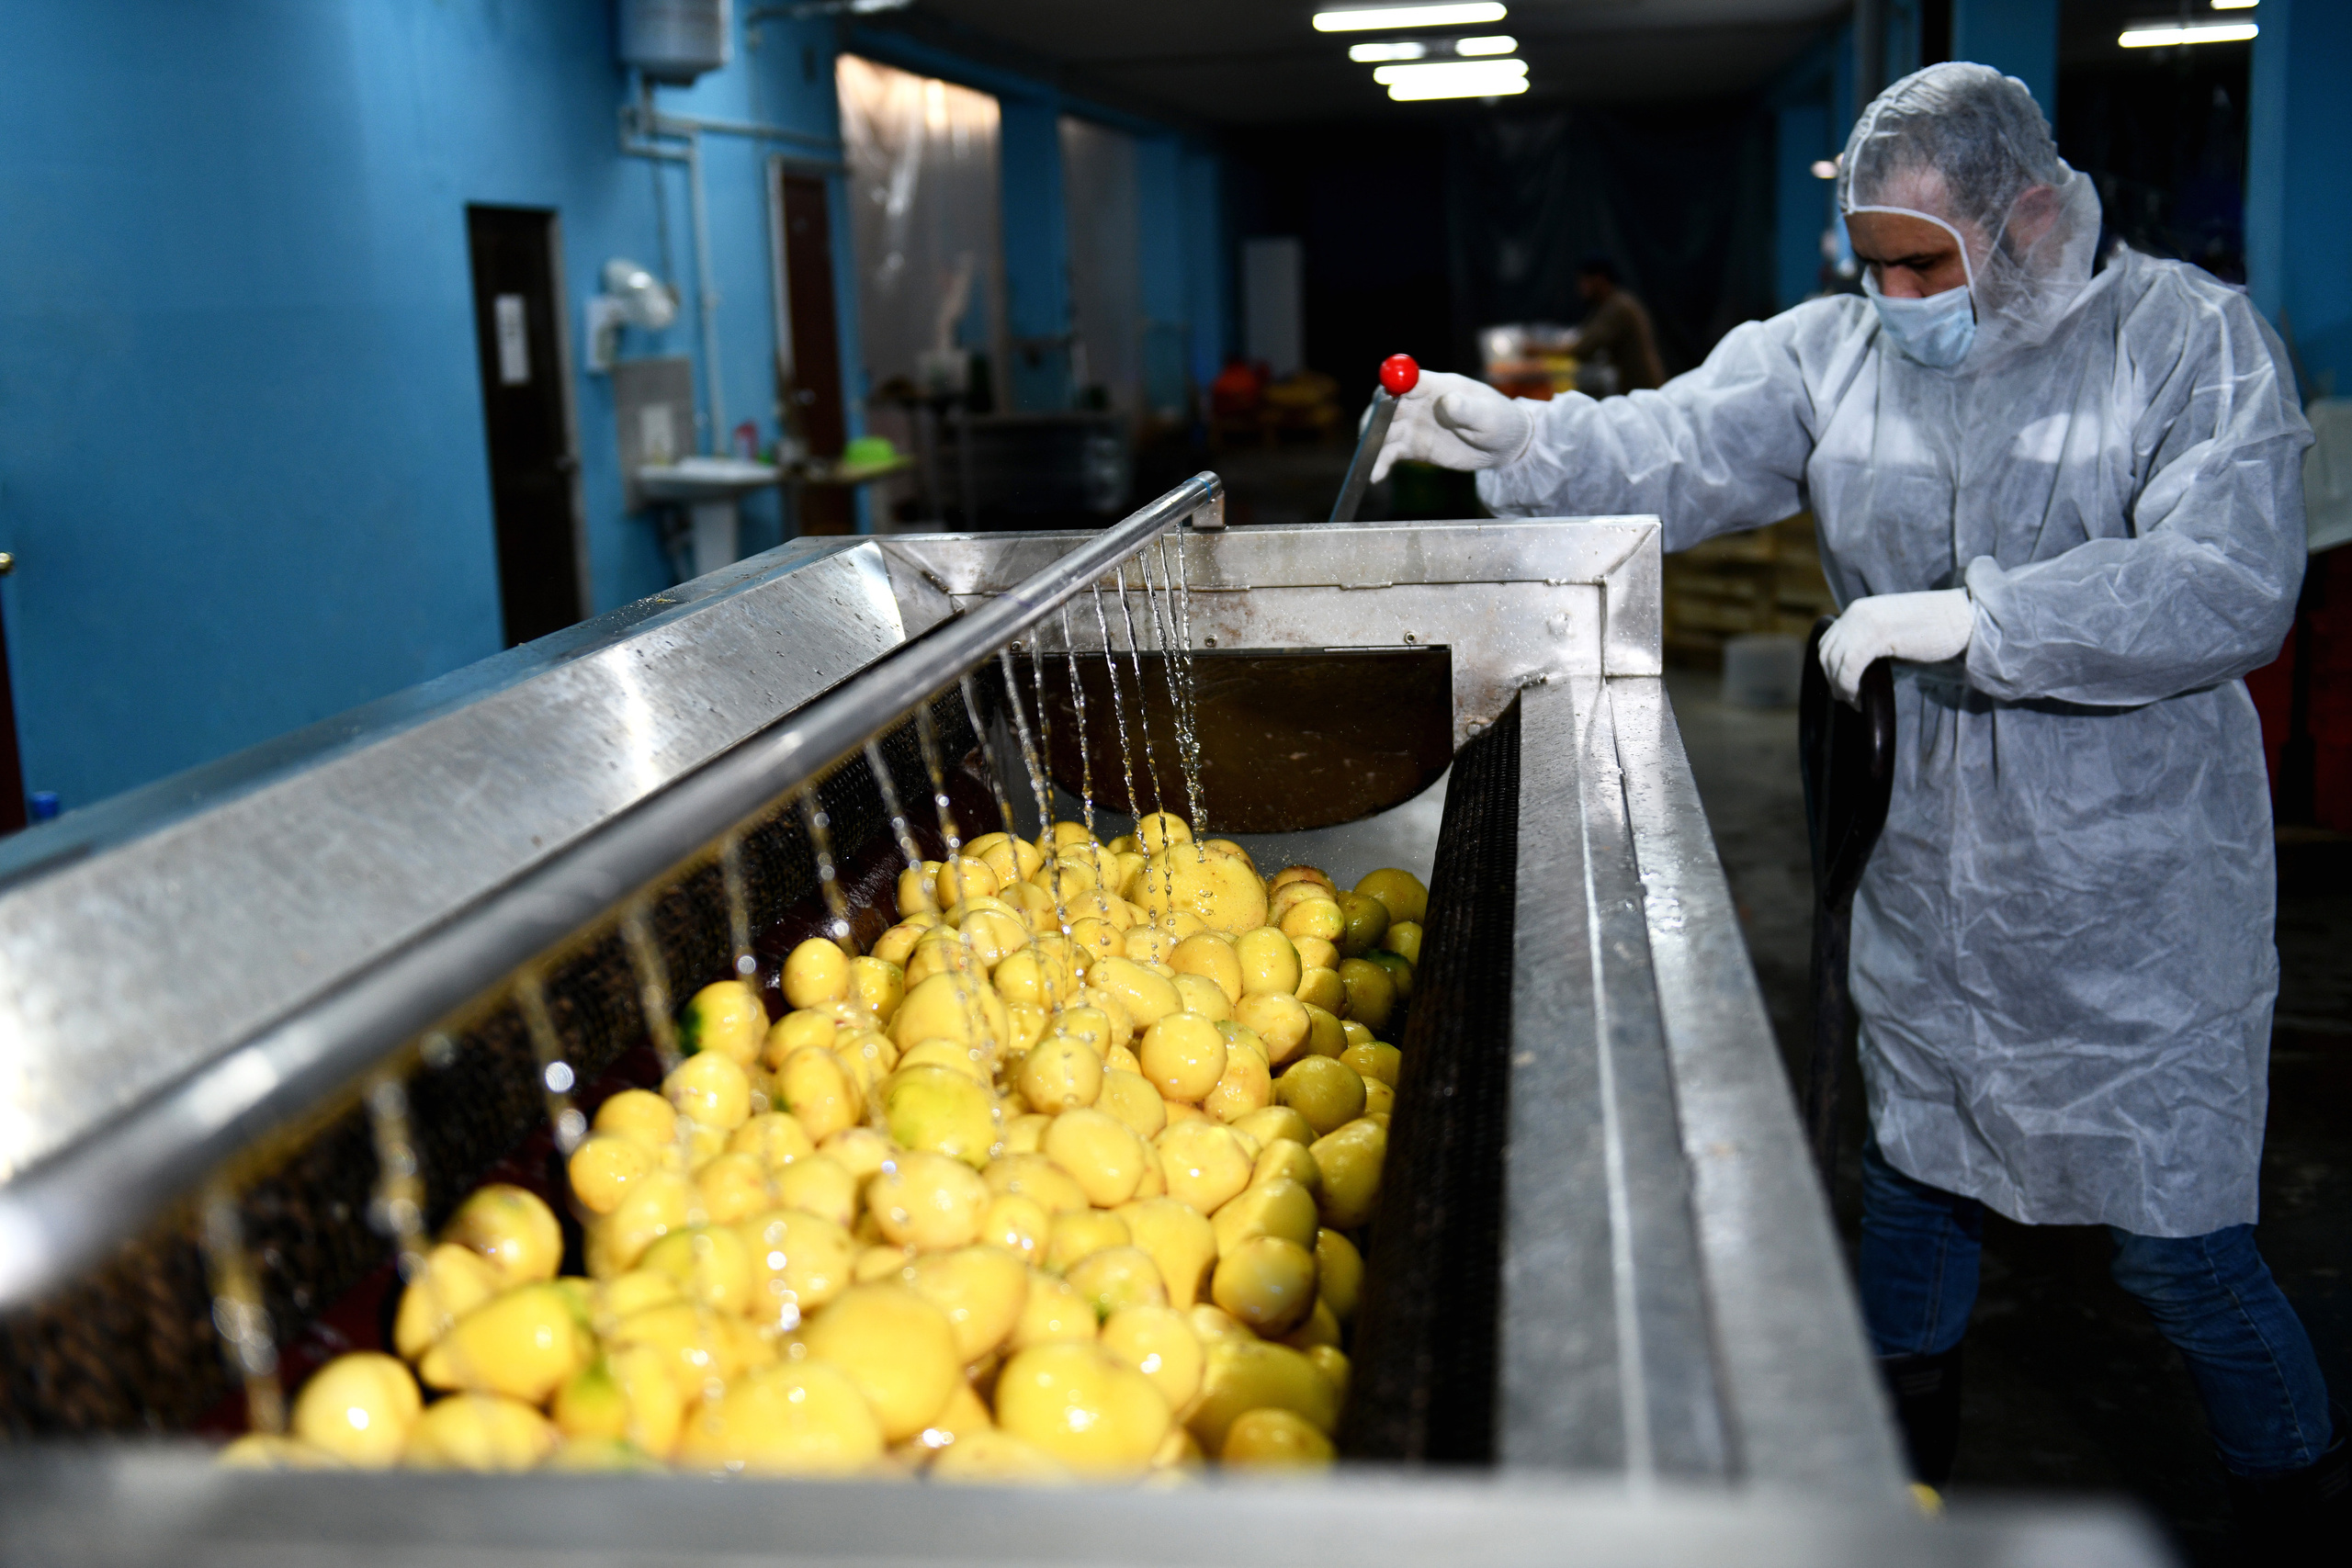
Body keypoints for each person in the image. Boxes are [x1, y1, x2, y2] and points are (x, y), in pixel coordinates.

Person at [1374, 62, 2342, 1549]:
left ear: (2028, 214)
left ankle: (2295, 1505)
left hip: (2137, 895)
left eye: (1921, 260)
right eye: (1872, 260)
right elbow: (1679, 447)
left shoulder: (2185, 340)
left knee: (2178, 1253)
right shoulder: (1836, 352)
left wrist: (1983, 620)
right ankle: (1890, 1492)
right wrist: (1530, 440)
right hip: (1926, 856)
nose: (1892, 292)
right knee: (1916, 1182)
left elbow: (2230, 579)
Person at [1562, 256, 1666, 393]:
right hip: (1640, 391)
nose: (1581, 287)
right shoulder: (1612, 303)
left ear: (1599, 279)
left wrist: (1536, 348)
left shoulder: (1617, 308)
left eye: (1585, 281)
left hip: (1644, 390)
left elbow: (1583, 349)